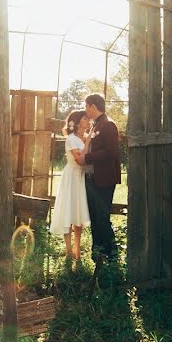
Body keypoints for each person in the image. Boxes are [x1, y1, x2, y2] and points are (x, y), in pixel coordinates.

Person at [77, 94, 121, 260]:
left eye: (86, 106)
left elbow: (112, 152)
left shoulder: (108, 125)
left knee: (102, 216)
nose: (85, 109)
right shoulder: (96, 125)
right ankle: (97, 253)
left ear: (93, 106)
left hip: (104, 180)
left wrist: (87, 158)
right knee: (95, 216)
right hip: (93, 179)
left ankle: (111, 253)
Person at [49, 109, 91, 260]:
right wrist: (89, 141)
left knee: (78, 213)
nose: (89, 121)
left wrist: (89, 139)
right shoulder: (71, 139)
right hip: (71, 176)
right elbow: (80, 158)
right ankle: (68, 250)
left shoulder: (86, 137)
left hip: (81, 177)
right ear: (78, 122)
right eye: (86, 119)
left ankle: (77, 249)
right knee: (68, 211)